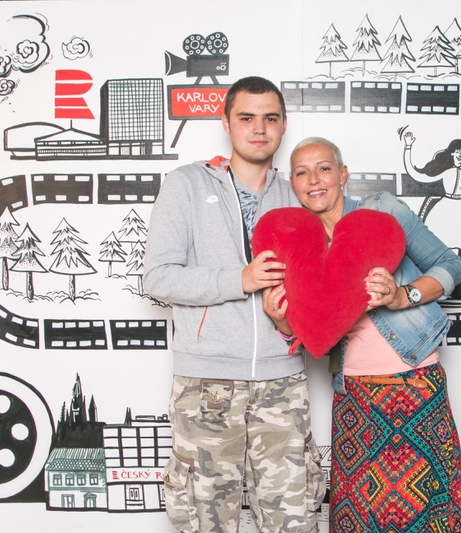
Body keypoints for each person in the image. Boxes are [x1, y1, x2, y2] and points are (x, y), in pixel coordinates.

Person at [143, 77, 325, 533]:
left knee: (294, 521)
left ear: (283, 125)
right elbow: (157, 277)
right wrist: (238, 280)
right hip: (206, 385)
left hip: (283, 384)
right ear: (226, 123)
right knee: (205, 523)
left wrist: (288, 327)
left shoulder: (298, 194)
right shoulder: (185, 184)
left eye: (270, 118)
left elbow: (317, 292)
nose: (259, 128)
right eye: (246, 118)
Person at [266, 137, 461, 532]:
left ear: (343, 175)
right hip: (354, 396)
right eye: (302, 173)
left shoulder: (383, 212)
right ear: (293, 184)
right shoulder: (297, 244)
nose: (314, 180)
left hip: (414, 382)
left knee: (425, 511)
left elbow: (450, 265)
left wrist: (402, 295)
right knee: (359, 514)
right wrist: (282, 322)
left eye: (324, 168)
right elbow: (308, 332)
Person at [402, 132, 461, 252]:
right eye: (458, 151)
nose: (460, 155)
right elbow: (415, 175)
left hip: (458, 211)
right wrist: (408, 147)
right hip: (443, 208)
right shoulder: (446, 170)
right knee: (437, 244)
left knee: (455, 247)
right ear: (452, 152)